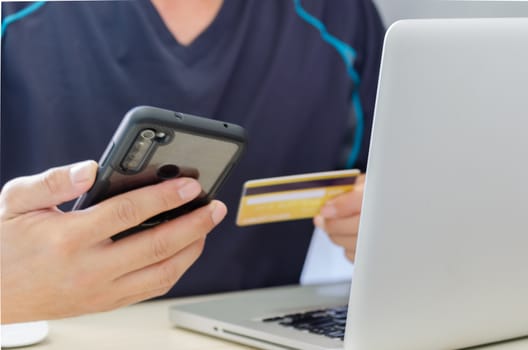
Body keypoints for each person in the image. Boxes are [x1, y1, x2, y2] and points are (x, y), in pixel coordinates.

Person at [1, 0, 384, 323]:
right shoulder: (16, 18)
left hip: (249, 331)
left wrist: (384, 226)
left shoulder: (341, 17)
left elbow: (392, 187)